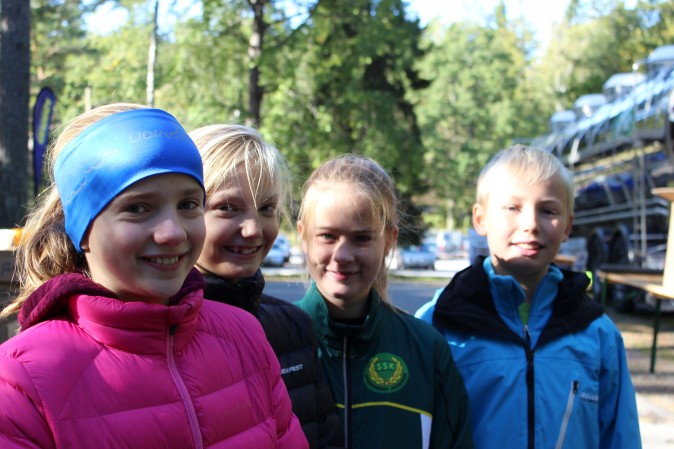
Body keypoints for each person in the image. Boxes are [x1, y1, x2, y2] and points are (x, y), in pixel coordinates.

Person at [0, 103, 308, 449]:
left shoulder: (245, 336)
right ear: (82, 230)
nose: (172, 232)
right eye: (137, 208)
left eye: (188, 204)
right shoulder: (21, 379)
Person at [416, 144, 641, 448]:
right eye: (513, 208)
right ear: (480, 219)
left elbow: (621, 436)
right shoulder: (436, 324)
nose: (531, 224)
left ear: (567, 226)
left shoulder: (598, 334)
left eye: (548, 211)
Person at [294, 154, 474, 449]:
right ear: (304, 236)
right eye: (327, 236)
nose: (343, 255)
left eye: (362, 238)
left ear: (390, 240)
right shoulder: (272, 344)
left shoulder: (427, 350)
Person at [188, 123, 344, 449]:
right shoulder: (156, 332)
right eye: (227, 208)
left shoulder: (293, 326)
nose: (253, 230)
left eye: (267, 209)